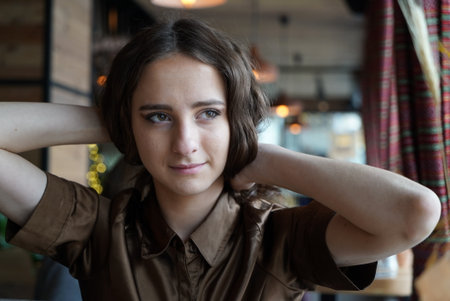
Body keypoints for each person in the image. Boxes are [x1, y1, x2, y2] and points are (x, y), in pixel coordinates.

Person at [0, 18, 441, 301]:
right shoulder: (95, 228)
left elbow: (416, 212)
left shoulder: (279, 239)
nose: (185, 143)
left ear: (238, 120)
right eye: (158, 117)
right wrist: (117, 120)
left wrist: (263, 158)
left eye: (209, 113)